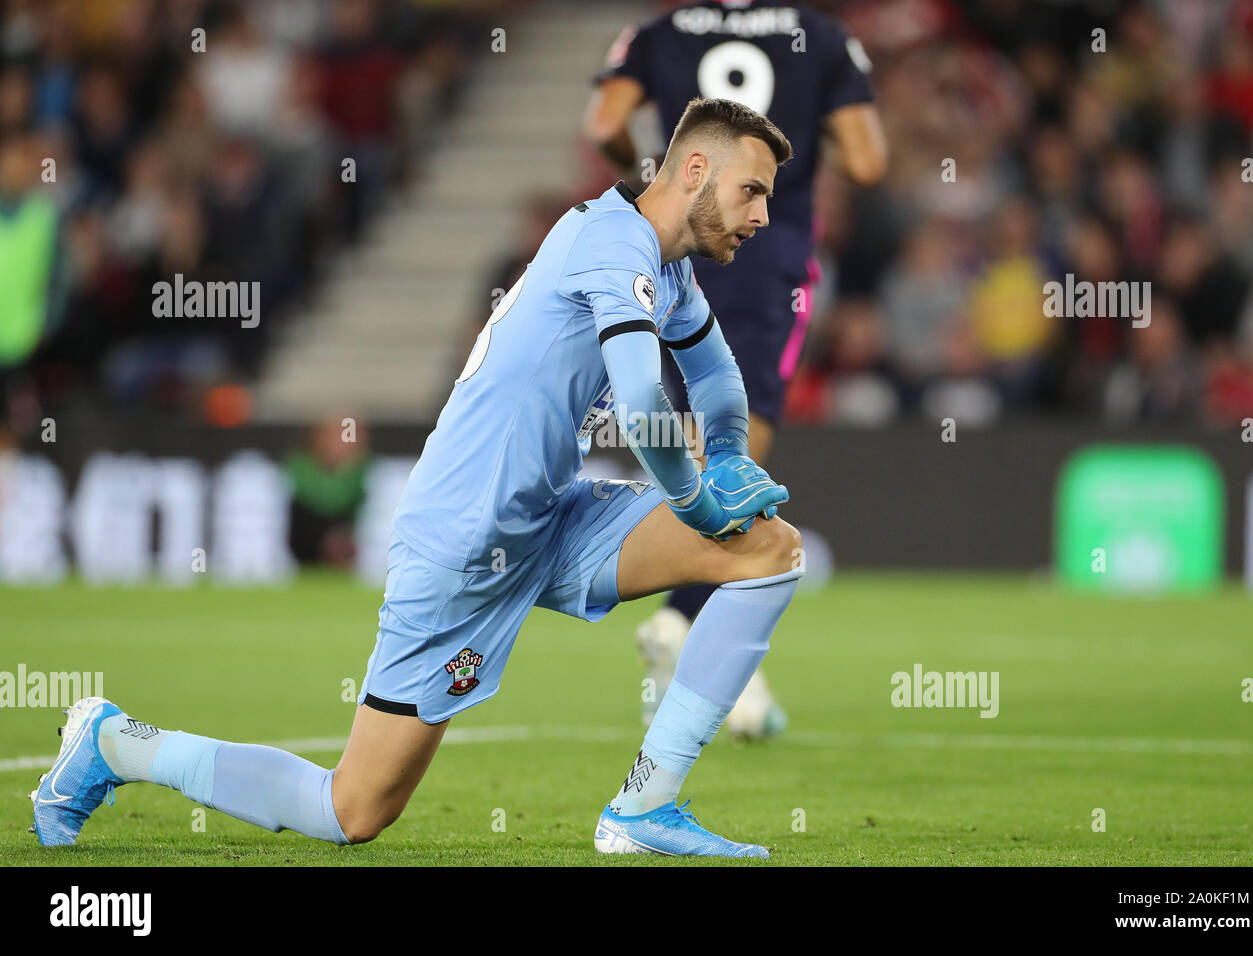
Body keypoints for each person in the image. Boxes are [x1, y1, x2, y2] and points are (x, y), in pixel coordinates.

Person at [31, 98, 803, 858]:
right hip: (465, 535)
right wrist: (698, 500)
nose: (763, 214)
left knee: (767, 547)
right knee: (352, 810)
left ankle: (644, 808)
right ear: (694, 168)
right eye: (753, 190)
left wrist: (730, 455)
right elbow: (640, 406)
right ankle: (115, 744)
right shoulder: (613, 244)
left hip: (550, 517)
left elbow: (717, 380)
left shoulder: (665, 270)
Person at [583, 0, 888, 735]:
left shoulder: (661, 31)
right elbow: (869, 159)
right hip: (768, 248)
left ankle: (716, 645)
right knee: (743, 430)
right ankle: (687, 612)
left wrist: (643, 175)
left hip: (681, 240)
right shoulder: (820, 35)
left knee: (695, 420)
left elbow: (603, 124)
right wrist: (803, 134)